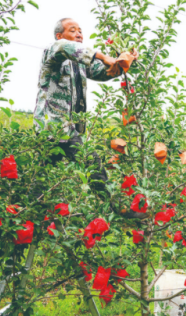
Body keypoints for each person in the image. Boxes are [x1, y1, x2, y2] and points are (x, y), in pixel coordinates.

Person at [33, 18, 138, 193]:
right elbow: (66, 47)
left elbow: (102, 72)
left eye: (80, 30)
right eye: (73, 30)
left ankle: (27, 210)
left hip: (69, 128)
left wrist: (124, 61)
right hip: (52, 126)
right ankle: (115, 204)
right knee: (90, 164)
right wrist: (104, 56)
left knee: (44, 177)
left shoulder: (79, 63)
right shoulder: (53, 51)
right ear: (60, 36)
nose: (79, 34)